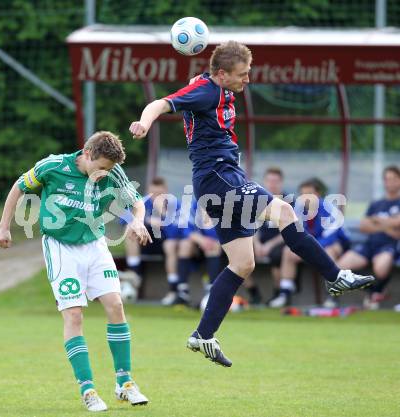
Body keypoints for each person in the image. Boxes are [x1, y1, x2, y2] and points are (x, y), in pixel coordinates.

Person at [129, 41, 374, 367]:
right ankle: (336, 276)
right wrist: (145, 124)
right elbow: (160, 103)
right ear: (221, 74)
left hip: (219, 180)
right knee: (284, 210)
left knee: (243, 264)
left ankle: (203, 335)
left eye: (248, 72)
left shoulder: (212, 86)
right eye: (241, 74)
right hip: (220, 178)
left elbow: (195, 89)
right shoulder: (206, 90)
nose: (247, 79)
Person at [0, 131, 150, 411]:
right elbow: (19, 186)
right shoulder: (52, 166)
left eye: (110, 168)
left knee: (115, 305)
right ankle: (88, 389)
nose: (106, 173)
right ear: (88, 155)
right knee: (74, 314)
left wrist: (138, 222)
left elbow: (137, 202)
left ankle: (124, 383)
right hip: (60, 247)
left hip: (94, 244)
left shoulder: (113, 172)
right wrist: (4, 226)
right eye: (102, 167)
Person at [268, 178, 350, 308]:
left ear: (317, 194)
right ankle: (285, 294)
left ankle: (333, 296)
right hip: (312, 245)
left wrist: (310, 248)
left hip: (336, 243)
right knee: (287, 252)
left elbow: (331, 236)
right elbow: (297, 233)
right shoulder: (299, 210)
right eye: (303, 194)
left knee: (329, 251)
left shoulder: (329, 208)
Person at [337, 165, 400, 310]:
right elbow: (363, 226)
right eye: (387, 179)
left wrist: (377, 221)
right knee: (339, 267)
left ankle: (376, 292)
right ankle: (374, 290)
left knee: (381, 269)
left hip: (388, 245)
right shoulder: (376, 203)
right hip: (369, 245)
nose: (389, 182)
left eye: (393, 179)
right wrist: (388, 225)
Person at [122, 176, 182, 305]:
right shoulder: (140, 202)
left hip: (166, 243)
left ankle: (173, 290)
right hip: (144, 243)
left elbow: (178, 230)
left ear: (165, 191)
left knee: (171, 245)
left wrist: (164, 215)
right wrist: (146, 221)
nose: (156, 196)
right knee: (130, 231)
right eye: (154, 193)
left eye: (159, 194)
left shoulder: (174, 203)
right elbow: (124, 219)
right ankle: (135, 275)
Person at [175, 199, 224, 308]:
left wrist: (214, 241)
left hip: (222, 248)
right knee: (184, 245)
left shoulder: (225, 203)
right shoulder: (193, 205)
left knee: (213, 246)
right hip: (199, 247)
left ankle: (211, 293)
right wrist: (201, 240)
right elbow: (186, 230)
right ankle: (183, 292)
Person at [250, 167, 287, 304]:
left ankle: (278, 294)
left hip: (280, 242)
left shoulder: (289, 202)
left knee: (277, 255)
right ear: (264, 182)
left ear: (281, 182)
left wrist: (269, 245)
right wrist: (257, 244)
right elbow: (251, 226)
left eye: (276, 181)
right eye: (269, 181)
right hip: (260, 243)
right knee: (237, 255)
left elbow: (292, 230)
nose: (272, 184)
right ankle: (254, 294)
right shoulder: (257, 201)